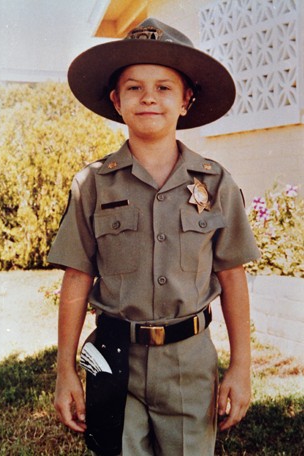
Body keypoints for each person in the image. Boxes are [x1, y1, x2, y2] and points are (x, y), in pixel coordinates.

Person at [48, 17, 260, 456]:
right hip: (113, 356)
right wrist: (65, 369)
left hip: (190, 362)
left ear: (186, 101)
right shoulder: (93, 184)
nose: (149, 97)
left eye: (164, 87)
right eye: (134, 87)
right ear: (116, 101)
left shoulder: (215, 183)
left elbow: (233, 276)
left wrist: (242, 365)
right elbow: (76, 279)